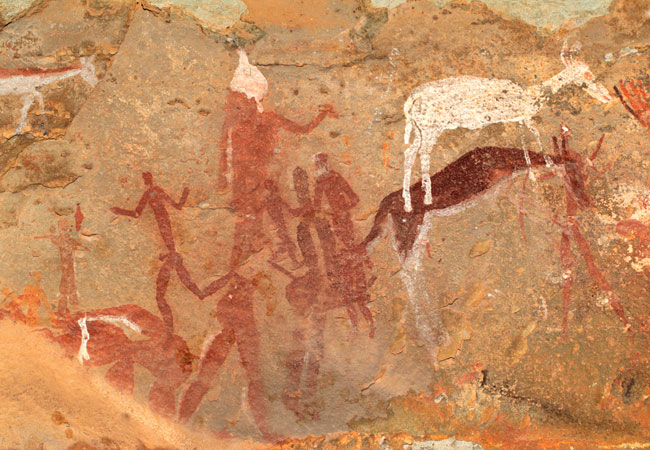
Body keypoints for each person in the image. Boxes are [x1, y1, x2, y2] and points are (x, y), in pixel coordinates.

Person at [218, 48, 337, 265]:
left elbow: (302, 129)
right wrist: (222, 176)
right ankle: (244, 255)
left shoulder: (269, 119)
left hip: (260, 178)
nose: (232, 105)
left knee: (254, 215)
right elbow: (224, 149)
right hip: (242, 179)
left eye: (238, 100)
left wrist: (322, 114)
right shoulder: (233, 122)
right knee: (245, 217)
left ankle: (254, 252)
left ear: (251, 100)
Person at [110, 172, 203, 335]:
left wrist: (119, 211)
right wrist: (185, 193)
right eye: (145, 178)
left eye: (146, 178)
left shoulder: (152, 192)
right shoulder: (153, 191)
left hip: (165, 230)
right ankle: (201, 293)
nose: (146, 180)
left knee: (162, 295)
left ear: (148, 179)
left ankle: (169, 333)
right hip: (165, 234)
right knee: (182, 285)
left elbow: (139, 213)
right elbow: (175, 206)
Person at [35, 220, 85, 312]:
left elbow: (77, 244)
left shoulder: (68, 240)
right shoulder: (61, 239)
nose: (65, 229)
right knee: (66, 283)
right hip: (65, 266)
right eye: (62, 227)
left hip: (69, 265)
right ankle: (64, 306)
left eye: (66, 227)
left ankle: (72, 304)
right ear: (59, 228)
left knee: (70, 282)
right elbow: (57, 240)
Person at [313, 153, 360, 249]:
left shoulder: (335, 178)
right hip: (335, 215)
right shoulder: (323, 180)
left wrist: (346, 207)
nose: (318, 167)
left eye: (319, 164)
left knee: (347, 237)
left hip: (341, 214)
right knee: (341, 237)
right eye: (317, 164)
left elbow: (354, 197)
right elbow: (317, 204)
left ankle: (352, 249)